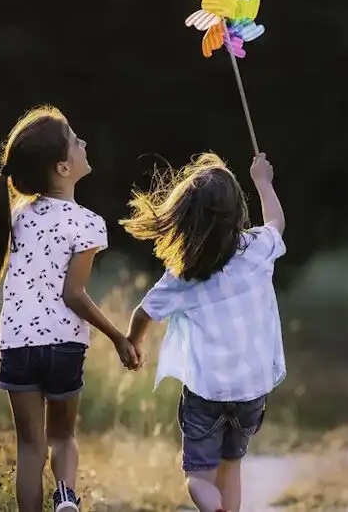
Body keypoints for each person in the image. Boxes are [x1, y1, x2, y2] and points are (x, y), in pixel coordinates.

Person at [0, 105, 139, 512]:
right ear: (63, 168)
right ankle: (65, 495)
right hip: (63, 345)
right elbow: (73, 295)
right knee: (63, 437)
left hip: (16, 345)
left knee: (30, 446)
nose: (84, 143)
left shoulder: (16, 217)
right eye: (75, 141)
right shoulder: (88, 223)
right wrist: (118, 337)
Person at [120, 152, 287, 512]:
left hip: (205, 393)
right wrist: (263, 183)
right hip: (250, 390)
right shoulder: (257, 250)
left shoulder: (184, 275)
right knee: (232, 468)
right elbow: (276, 221)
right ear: (238, 212)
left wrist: (133, 341)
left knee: (198, 477)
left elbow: (144, 312)